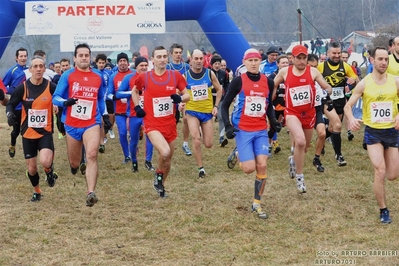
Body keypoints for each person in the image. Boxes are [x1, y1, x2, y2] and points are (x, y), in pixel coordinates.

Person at [221, 48, 281, 219]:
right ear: (244, 62)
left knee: (262, 165)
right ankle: (239, 152)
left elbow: (268, 105)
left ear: (260, 63)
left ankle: (257, 203)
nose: (254, 63)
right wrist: (228, 126)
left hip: (261, 129)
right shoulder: (238, 81)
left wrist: (273, 121)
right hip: (243, 129)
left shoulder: (268, 82)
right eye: (250, 61)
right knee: (249, 169)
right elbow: (224, 105)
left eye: (256, 60)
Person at [344, 47, 399, 224]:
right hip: (373, 133)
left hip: (392, 131)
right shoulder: (364, 83)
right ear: (372, 60)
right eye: (380, 59)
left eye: (386, 59)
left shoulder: (395, 81)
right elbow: (347, 106)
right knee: (380, 171)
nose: (384, 62)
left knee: (392, 175)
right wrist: (351, 119)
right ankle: (383, 209)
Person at [52, 43, 111, 207]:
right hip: (71, 123)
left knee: (91, 155)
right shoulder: (68, 75)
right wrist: (66, 102)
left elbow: (100, 98)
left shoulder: (98, 76)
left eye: (86, 55)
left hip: (92, 122)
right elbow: (55, 97)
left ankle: (90, 192)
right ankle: (74, 167)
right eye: (81, 55)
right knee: (75, 162)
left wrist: (104, 115)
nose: (84, 58)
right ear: (75, 58)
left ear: (90, 57)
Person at [131, 46, 190, 198]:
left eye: (165, 56)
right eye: (159, 57)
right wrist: (137, 107)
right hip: (152, 124)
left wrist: (180, 98)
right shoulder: (145, 77)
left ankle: (161, 185)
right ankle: (158, 176)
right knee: (164, 152)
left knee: (168, 160)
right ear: (153, 59)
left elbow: (187, 95)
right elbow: (135, 91)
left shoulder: (175, 75)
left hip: (170, 123)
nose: (162, 59)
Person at [274, 45, 331, 193]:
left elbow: (326, 86)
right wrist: (269, 98)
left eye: (304, 58)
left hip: (309, 113)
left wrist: (330, 92)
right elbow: (271, 85)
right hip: (292, 112)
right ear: (292, 58)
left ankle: (293, 159)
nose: (301, 61)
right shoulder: (285, 71)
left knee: (304, 147)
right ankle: (300, 177)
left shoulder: (313, 72)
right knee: (299, 141)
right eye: (298, 58)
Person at [6, 55, 59, 202]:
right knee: (32, 169)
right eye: (35, 66)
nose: (38, 69)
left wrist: (57, 104)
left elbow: (60, 97)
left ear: (44, 69)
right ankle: (37, 191)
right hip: (28, 133)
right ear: (30, 69)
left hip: (45, 132)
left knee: (46, 162)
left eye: (41, 66)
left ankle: (49, 171)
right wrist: (9, 113)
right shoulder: (23, 88)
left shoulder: (50, 86)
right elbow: (10, 103)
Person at [317, 42, 358, 166]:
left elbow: (356, 79)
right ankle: (339, 156)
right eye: (334, 53)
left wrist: (352, 82)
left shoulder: (345, 66)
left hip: (340, 100)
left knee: (332, 128)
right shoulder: (321, 67)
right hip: (326, 101)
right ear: (328, 53)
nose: (336, 55)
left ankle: (321, 139)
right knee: (338, 125)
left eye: (338, 53)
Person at [184, 49, 222, 178]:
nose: (199, 61)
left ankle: (200, 129)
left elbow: (219, 89)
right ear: (191, 60)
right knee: (196, 140)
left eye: (201, 59)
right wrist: (180, 103)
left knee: (209, 144)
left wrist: (216, 106)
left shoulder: (210, 74)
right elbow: (179, 93)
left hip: (206, 112)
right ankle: (201, 169)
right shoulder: (186, 76)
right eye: (196, 59)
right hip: (192, 111)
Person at [116, 56, 155, 172]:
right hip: (134, 114)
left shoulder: (151, 77)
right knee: (133, 141)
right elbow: (118, 94)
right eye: (141, 66)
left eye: (145, 65)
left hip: (148, 114)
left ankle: (148, 161)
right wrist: (132, 92)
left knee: (150, 137)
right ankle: (134, 162)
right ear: (136, 66)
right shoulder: (129, 78)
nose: (143, 68)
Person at [165, 43, 192, 156]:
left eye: (180, 52)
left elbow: (188, 83)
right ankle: (169, 142)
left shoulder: (186, 67)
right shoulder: (167, 67)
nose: (178, 55)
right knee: (172, 121)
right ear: (171, 54)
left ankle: (185, 143)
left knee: (186, 119)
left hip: (184, 96)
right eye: (176, 52)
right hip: (172, 97)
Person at [107, 52, 134, 163]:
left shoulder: (134, 74)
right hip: (119, 110)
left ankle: (133, 152)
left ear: (128, 63)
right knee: (122, 133)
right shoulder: (113, 76)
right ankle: (127, 156)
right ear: (117, 63)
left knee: (133, 134)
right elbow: (108, 93)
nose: (123, 63)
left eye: (124, 61)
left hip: (132, 110)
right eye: (120, 61)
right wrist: (115, 97)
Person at [2, 47, 28, 158]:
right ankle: (12, 144)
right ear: (16, 58)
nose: (23, 58)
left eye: (25, 56)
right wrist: (10, 92)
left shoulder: (29, 70)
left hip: (28, 106)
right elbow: (3, 87)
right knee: (16, 131)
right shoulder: (11, 71)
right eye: (21, 56)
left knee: (28, 130)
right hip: (16, 107)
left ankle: (29, 152)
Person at [268, 55, 289, 154]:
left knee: (293, 126)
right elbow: (268, 93)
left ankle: (295, 147)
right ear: (278, 64)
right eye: (283, 63)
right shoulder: (273, 76)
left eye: (286, 63)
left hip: (288, 106)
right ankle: (268, 145)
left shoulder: (291, 75)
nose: (285, 65)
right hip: (275, 106)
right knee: (273, 128)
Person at [210, 54, 230, 147]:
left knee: (221, 117)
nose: (217, 66)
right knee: (207, 118)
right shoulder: (208, 73)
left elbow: (227, 84)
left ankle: (221, 137)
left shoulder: (224, 73)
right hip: (209, 99)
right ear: (212, 64)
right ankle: (204, 135)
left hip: (221, 98)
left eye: (218, 63)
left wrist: (227, 94)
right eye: (215, 64)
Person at [95, 53, 113, 152]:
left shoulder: (107, 73)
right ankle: (101, 140)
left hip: (106, 99)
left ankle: (104, 136)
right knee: (100, 121)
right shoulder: (94, 73)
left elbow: (108, 86)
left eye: (103, 63)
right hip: (97, 100)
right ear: (96, 63)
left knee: (108, 118)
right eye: (99, 63)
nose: (101, 65)